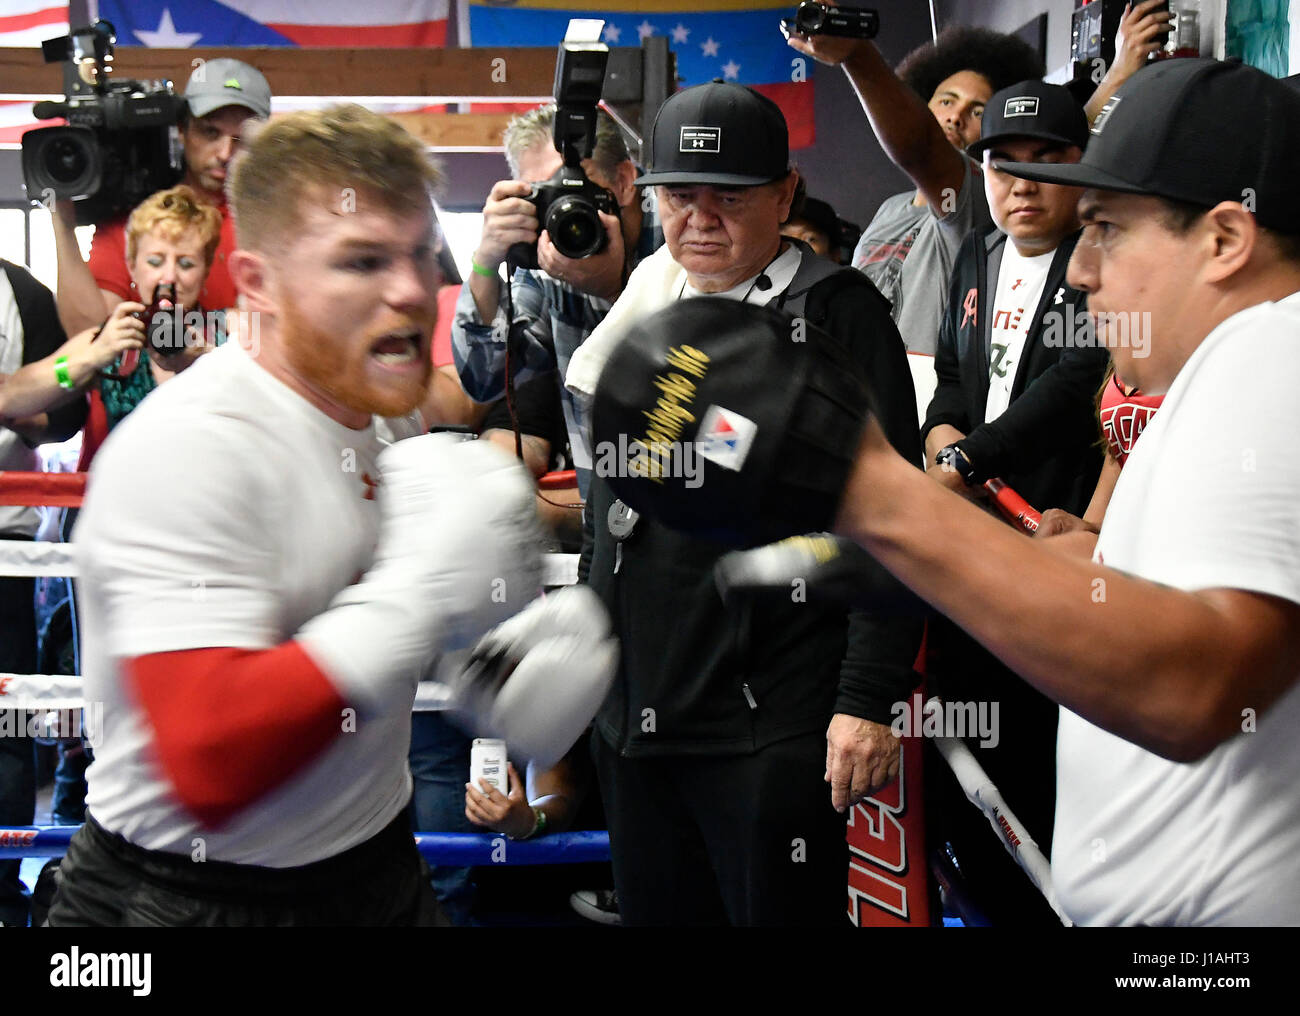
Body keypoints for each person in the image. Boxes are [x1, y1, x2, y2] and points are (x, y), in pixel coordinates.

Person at [598, 58, 1300, 926]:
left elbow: (1203, 691)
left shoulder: (1275, 359)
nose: (1080, 270)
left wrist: (879, 497)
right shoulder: (1217, 377)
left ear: (1226, 241)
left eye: (1108, 228)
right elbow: (1206, 627)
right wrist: (1080, 561)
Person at [45, 104, 612, 927]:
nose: (414, 289)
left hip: (373, 858)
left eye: (420, 251)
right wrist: (416, 600)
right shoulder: (188, 450)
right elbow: (207, 761)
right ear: (257, 284)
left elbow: (349, 617)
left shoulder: (380, 408)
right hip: (185, 895)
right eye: (362, 261)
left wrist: (482, 667)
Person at [567, 82, 923, 926]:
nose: (699, 218)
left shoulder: (836, 315)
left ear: (785, 194)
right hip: (638, 723)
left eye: (728, 196)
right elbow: (610, 505)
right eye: (677, 197)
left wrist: (866, 699)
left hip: (765, 727)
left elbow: (900, 523)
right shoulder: (652, 300)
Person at [919, 80, 1109, 925]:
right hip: (966, 546)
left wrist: (963, 461)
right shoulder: (975, 254)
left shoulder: (1103, 261)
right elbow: (956, 374)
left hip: (1056, 545)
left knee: (1040, 763)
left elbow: (1072, 390)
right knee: (966, 754)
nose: (1020, 183)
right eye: (1003, 164)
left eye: (1046, 163)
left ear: (1085, 167)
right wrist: (938, 433)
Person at [789, 15, 1044, 353]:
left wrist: (856, 54)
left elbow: (921, 149)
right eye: (947, 101)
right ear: (922, 104)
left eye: (978, 111)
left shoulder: (973, 199)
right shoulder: (891, 207)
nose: (956, 116)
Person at [452, 104, 662, 497]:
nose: (565, 209)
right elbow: (483, 379)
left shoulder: (680, 230)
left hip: (691, 492)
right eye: (548, 194)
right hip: (599, 502)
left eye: (577, 185)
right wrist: (485, 261)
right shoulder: (543, 255)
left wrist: (612, 290)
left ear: (624, 181)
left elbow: (692, 372)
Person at [0, 185, 224, 467]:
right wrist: (89, 359)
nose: (169, 276)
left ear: (205, 270)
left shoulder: (229, 332)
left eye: (186, 264)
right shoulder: (115, 336)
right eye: (155, 261)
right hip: (126, 501)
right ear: (132, 267)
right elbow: (11, 399)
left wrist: (211, 360)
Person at [51, 59, 272, 336]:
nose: (225, 153)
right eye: (210, 132)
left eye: (240, 140)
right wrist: (62, 223)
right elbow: (89, 336)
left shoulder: (276, 228)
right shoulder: (141, 221)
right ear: (182, 129)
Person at [0, 260, 88, 927]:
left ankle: (2, 892)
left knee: (11, 725)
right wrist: (47, 379)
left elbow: (60, 417)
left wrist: (43, 401)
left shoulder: (19, 292)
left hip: (5, 543)